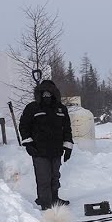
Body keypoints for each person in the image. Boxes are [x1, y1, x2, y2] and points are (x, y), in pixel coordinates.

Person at [19, 79, 74, 209]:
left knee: (55, 176)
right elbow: (24, 126)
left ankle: (54, 198)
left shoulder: (61, 109)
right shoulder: (32, 107)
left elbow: (67, 129)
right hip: (39, 150)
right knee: (43, 177)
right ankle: (45, 202)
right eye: (44, 93)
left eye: (49, 93)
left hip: (56, 150)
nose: (47, 96)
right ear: (40, 93)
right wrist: (28, 144)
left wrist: (68, 147)